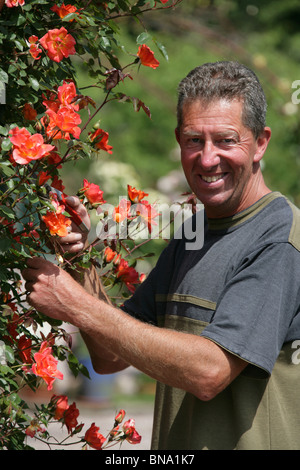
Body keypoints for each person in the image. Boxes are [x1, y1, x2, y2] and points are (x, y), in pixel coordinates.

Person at [22, 61, 300, 450]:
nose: (206, 159)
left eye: (225, 140)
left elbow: (210, 372)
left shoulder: (279, 241)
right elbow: (110, 357)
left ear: (261, 142)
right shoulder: (193, 235)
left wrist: (75, 306)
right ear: (178, 140)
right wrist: (79, 257)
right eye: (193, 140)